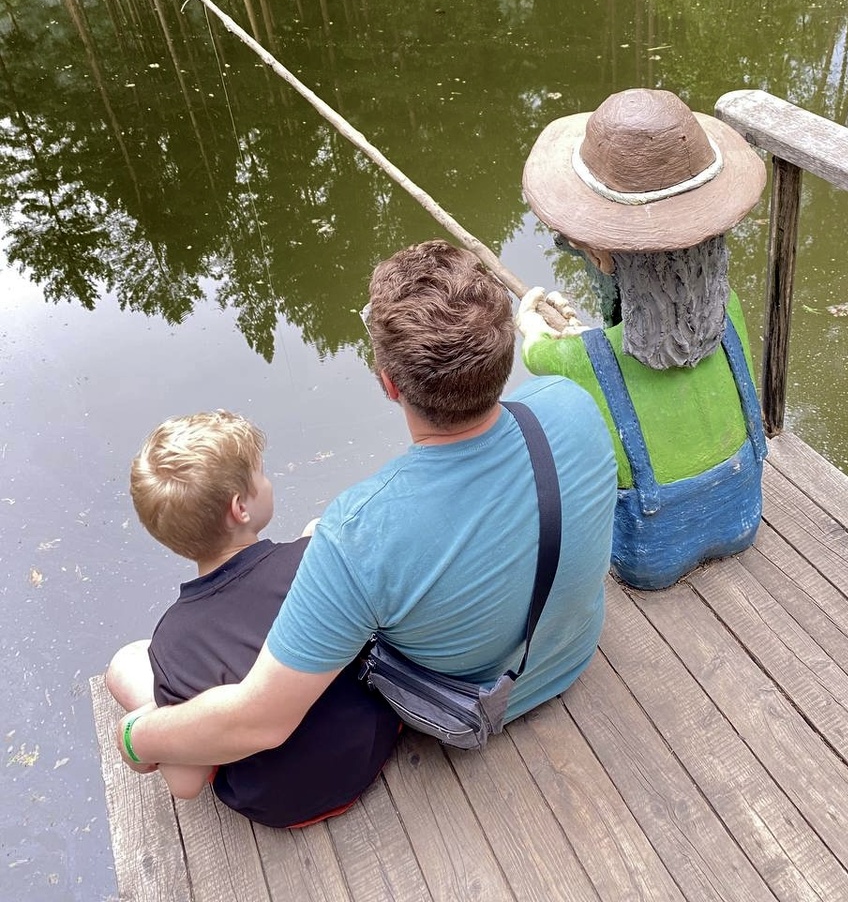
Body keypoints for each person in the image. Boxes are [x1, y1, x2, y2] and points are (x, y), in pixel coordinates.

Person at [114, 240, 618, 777]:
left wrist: (136, 737)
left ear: (388, 384)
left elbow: (260, 723)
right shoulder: (572, 402)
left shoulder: (357, 534)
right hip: (573, 654)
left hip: (463, 710)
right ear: (505, 349)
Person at [517, 87, 768, 590]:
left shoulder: (580, 359)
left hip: (651, 558)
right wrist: (589, 338)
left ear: (604, 257)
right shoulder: (733, 311)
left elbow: (537, 350)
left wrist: (533, 320)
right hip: (743, 519)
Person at [105, 409, 400, 827]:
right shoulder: (311, 563)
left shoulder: (175, 641)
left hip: (278, 803)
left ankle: (166, 711)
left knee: (128, 662)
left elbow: (185, 786)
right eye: (261, 475)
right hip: (371, 745)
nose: (269, 482)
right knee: (316, 533)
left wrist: (150, 720)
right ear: (240, 507)